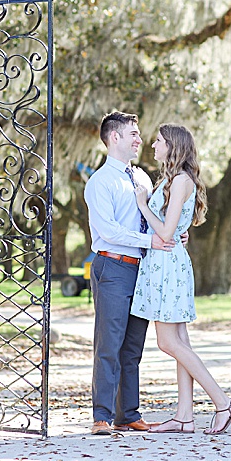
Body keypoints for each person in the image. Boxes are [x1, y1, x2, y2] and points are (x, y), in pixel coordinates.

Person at [130, 124, 231, 435]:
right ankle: (184, 418)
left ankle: (223, 403)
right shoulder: (170, 179)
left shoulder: (180, 181)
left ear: (173, 146)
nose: (152, 144)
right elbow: (173, 228)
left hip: (168, 266)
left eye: (159, 141)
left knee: (167, 342)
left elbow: (164, 232)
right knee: (179, 343)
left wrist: (142, 205)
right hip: (165, 262)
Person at [83, 111, 179, 436]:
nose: (140, 139)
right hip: (113, 266)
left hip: (143, 270)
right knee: (108, 343)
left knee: (133, 347)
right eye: (133, 134)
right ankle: (102, 416)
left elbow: (153, 217)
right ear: (114, 138)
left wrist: (173, 233)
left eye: (139, 134)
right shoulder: (100, 182)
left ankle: (128, 414)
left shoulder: (142, 178)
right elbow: (107, 231)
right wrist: (148, 240)